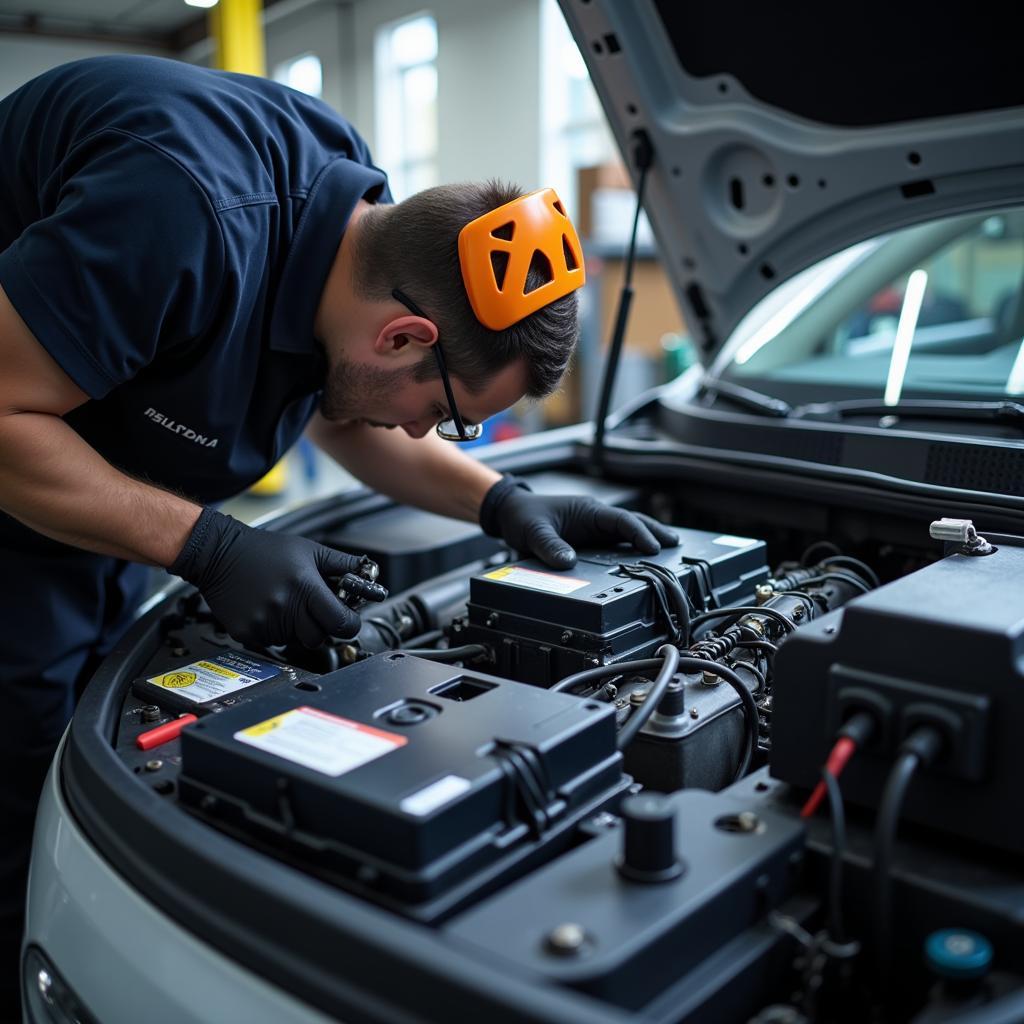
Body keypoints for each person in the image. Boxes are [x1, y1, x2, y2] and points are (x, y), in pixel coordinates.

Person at [0, 54, 677, 1013]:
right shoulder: (179, 217)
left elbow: (344, 409)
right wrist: (211, 547)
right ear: (404, 337)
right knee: (21, 777)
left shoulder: (355, 232)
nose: (422, 435)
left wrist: (500, 501)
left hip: (89, 470)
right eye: (449, 417)